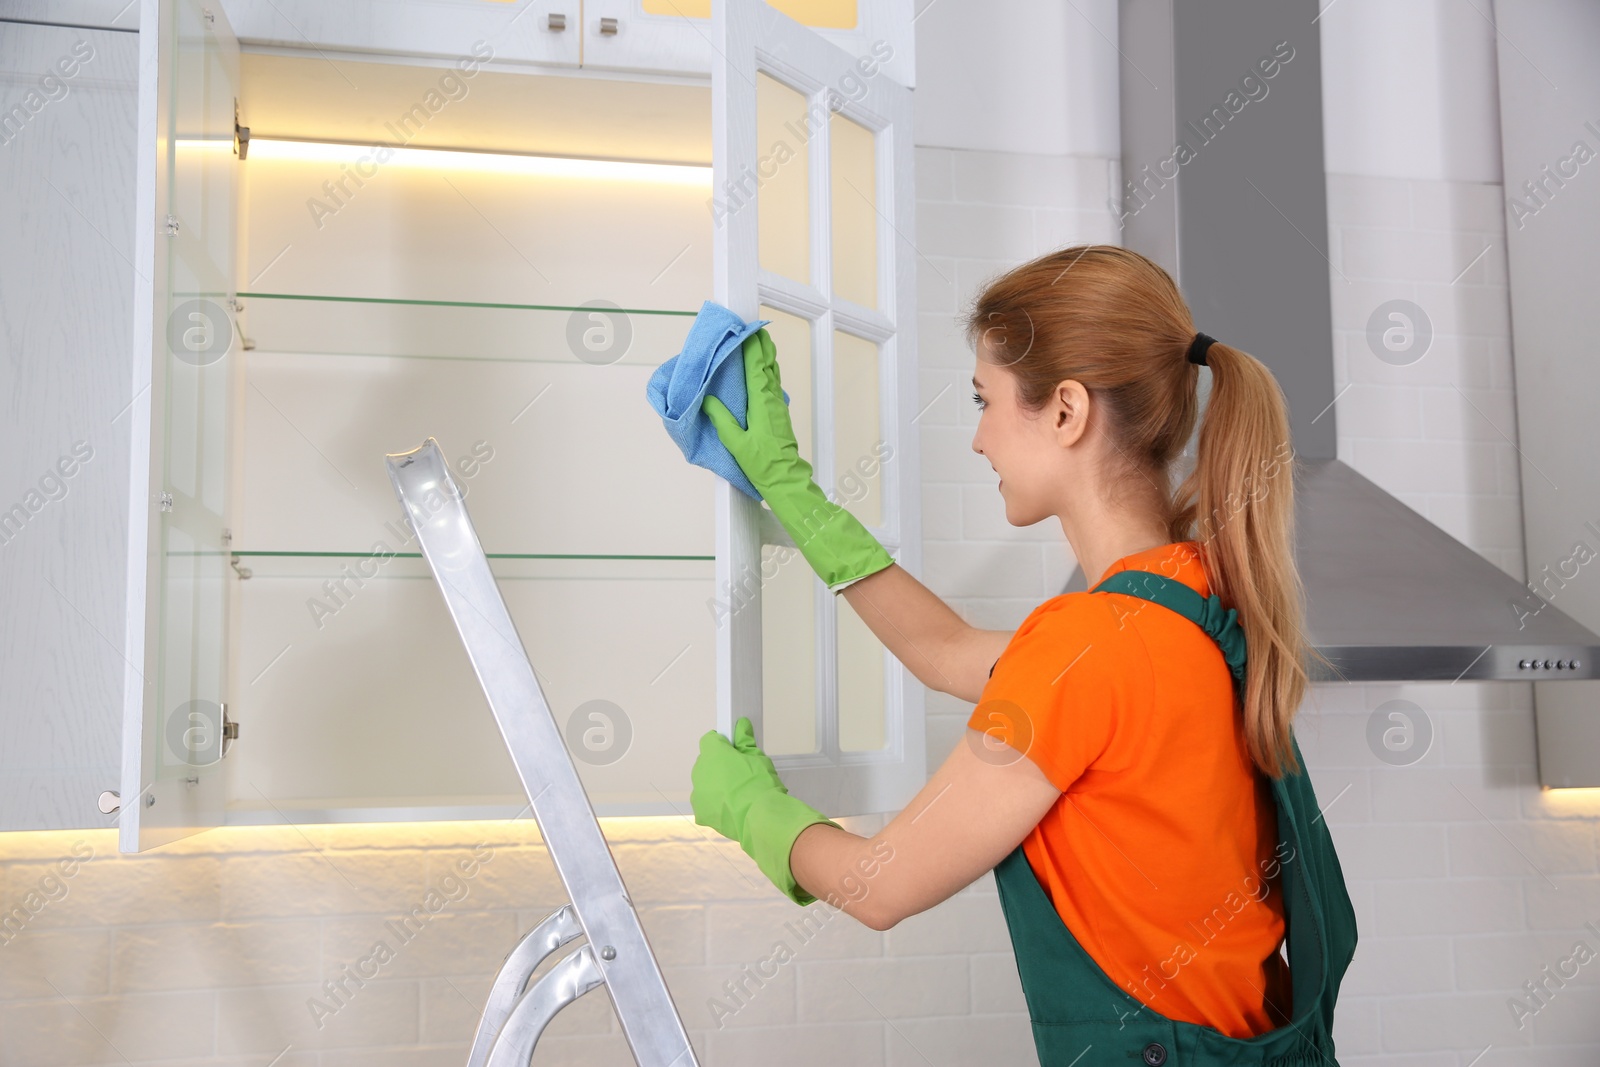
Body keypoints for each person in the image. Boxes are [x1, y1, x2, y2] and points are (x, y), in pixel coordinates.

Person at [687, 244, 1357, 1064]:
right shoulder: (1196, 608)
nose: (978, 439)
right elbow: (946, 651)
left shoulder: (1086, 645)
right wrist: (793, 493)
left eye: (986, 399)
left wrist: (749, 808)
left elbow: (878, 884)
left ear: (1067, 411)